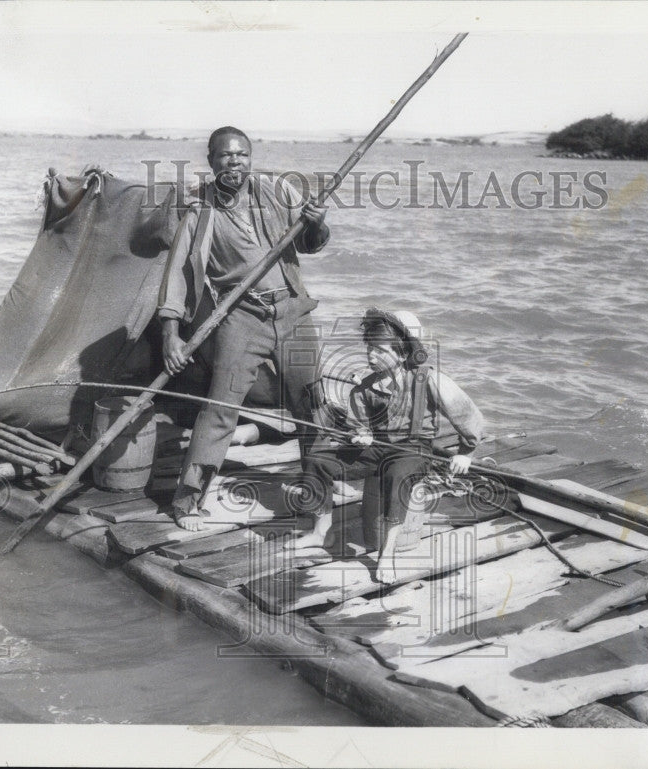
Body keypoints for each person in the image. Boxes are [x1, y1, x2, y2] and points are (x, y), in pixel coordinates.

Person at [158, 126, 330, 530]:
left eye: (242, 155)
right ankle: (187, 500)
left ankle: (317, 492)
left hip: (293, 312)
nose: (234, 162)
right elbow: (177, 276)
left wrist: (317, 224)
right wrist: (171, 334)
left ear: (250, 159)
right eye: (225, 156)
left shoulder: (276, 193)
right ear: (211, 161)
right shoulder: (200, 213)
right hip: (241, 317)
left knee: (311, 405)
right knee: (220, 409)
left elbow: (309, 243)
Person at [287, 309, 485, 584]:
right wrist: (360, 434)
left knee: (397, 476)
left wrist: (467, 452)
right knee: (318, 459)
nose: (371, 356)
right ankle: (323, 532)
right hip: (377, 446)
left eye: (380, 351)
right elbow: (358, 424)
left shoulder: (430, 380)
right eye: (369, 348)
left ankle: (387, 553)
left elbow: (469, 416)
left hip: (414, 447)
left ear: (402, 353)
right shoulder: (364, 387)